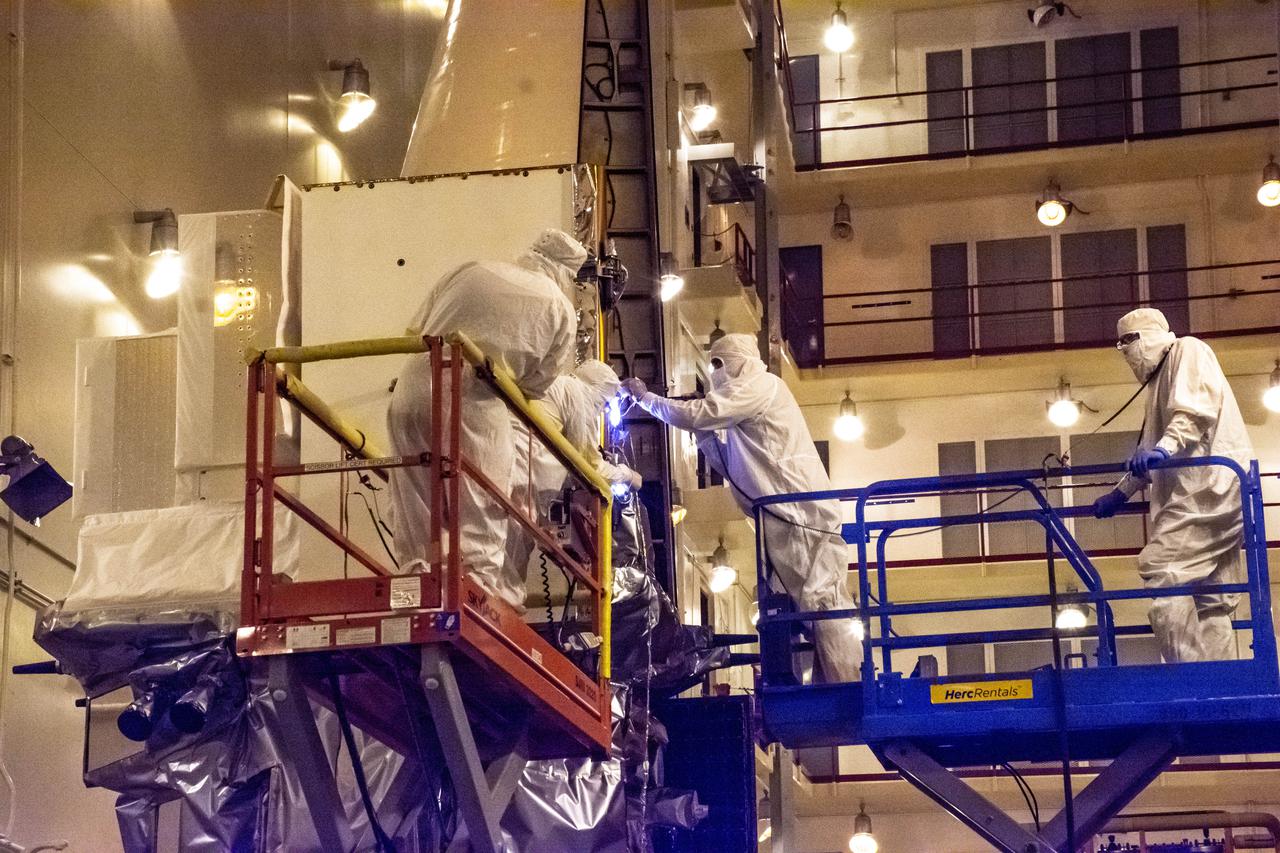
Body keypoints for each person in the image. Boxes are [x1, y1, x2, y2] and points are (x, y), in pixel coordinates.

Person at [622, 333, 859, 683]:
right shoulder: (743, 410)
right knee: (809, 608)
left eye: (720, 364)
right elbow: (730, 464)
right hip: (781, 516)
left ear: (738, 362)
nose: (716, 373)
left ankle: (850, 685)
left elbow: (708, 412)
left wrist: (647, 400)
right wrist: (702, 431)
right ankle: (832, 683)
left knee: (823, 601)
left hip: (801, 516)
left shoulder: (763, 385)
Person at [386, 229, 584, 609]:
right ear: (566, 273)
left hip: (411, 388)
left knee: (415, 499)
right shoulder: (559, 308)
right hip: (473, 397)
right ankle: (474, 599)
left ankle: (413, 589)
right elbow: (534, 388)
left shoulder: (470, 269)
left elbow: (414, 331)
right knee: (482, 503)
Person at [1091, 307, 1254, 663]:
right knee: (1213, 597)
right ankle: (1221, 678)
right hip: (1204, 490)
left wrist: (1165, 449)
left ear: (1147, 337)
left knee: (1163, 570)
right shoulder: (1157, 383)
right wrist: (1120, 493)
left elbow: (1194, 412)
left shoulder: (1188, 350)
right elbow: (1150, 451)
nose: (1125, 352)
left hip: (1209, 489)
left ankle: (1189, 675)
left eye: (1128, 342)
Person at [507, 360, 642, 587]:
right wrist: (628, 476)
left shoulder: (559, 387)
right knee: (508, 554)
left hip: (516, 469)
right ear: (599, 391)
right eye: (603, 404)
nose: (601, 410)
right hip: (520, 476)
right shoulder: (578, 396)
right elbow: (591, 468)